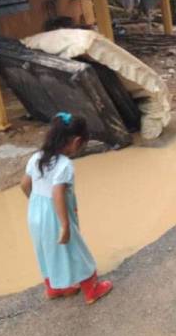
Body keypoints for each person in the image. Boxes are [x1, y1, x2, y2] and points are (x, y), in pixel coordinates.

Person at [20, 113, 113, 305]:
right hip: (56, 215)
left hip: (35, 214)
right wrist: (65, 225)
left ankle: (54, 288)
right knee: (77, 251)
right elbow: (57, 193)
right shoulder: (65, 165)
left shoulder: (36, 157)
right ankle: (92, 290)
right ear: (76, 141)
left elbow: (24, 184)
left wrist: (36, 204)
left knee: (46, 250)